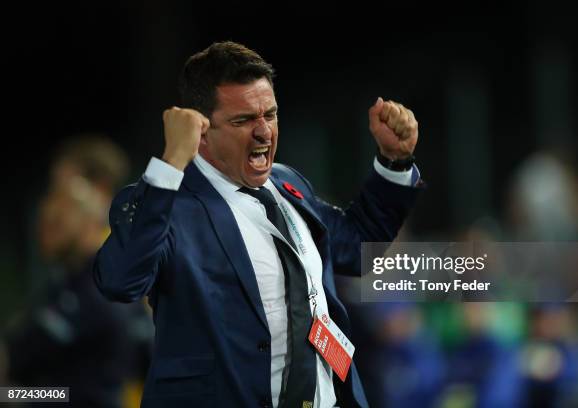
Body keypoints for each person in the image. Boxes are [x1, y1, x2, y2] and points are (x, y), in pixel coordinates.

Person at [94, 41, 423, 408]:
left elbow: (356, 247)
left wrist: (394, 162)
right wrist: (171, 161)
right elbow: (119, 280)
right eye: (243, 120)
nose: (264, 131)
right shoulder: (170, 202)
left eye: (270, 114)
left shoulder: (287, 184)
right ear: (200, 131)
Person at [4, 135, 153, 407]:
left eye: (62, 197)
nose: (49, 210)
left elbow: (74, 393)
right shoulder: (70, 281)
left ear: (95, 200)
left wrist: (12, 396)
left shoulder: (106, 282)